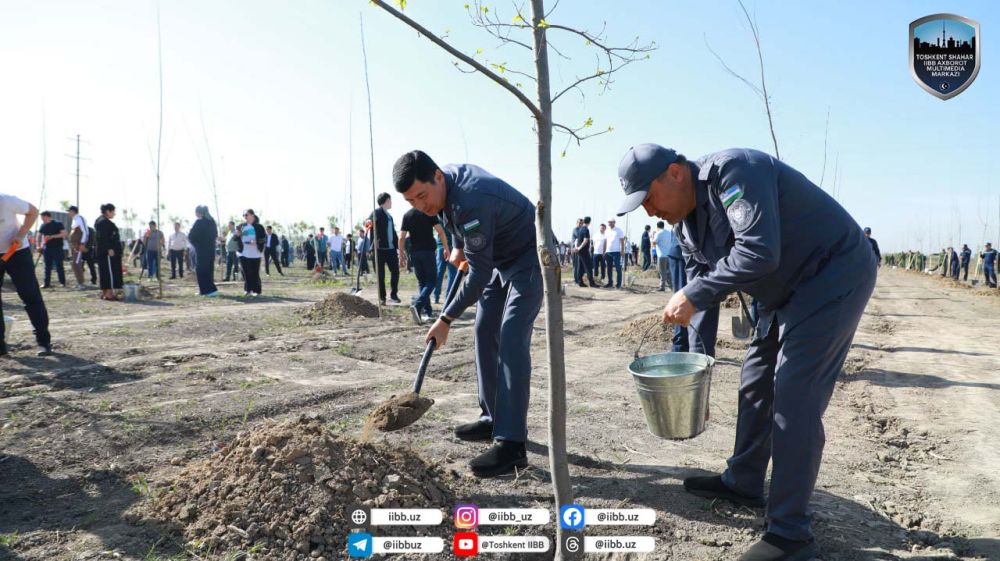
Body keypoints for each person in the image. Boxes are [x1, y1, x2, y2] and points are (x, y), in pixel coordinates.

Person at [617, 143, 876, 561]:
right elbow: (701, 294)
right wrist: (696, 377)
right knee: (755, 381)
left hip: (830, 275)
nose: (649, 212)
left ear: (675, 173)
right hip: (780, 293)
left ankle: (791, 537)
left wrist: (693, 292)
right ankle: (744, 481)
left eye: (648, 198)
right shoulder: (684, 226)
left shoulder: (736, 172)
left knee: (793, 397)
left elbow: (758, 251)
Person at [394, 150, 541, 478]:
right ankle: (492, 418)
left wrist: (444, 318)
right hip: (496, 256)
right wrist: (459, 243)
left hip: (528, 256)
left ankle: (512, 445)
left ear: (438, 178)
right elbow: (450, 215)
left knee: (513, 336)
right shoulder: (445, 185)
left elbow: (477, 274)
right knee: (484, 329)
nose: (421, 206)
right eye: (412, 202)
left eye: (422, 196)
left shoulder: (471, 200)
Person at [0, 193, 52, 356]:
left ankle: (43, 342)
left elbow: (34, 211)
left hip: (17, 251)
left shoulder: (7, 201)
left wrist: (21, 234)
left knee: (30, 295)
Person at [400, 207, 450, 320]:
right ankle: (417, 304)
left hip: (414, 253)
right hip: (428, 252)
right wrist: (446, 248)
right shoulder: (429, 212)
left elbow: (402, 237)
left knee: (422, 282)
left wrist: (402, 255)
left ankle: (427, 312)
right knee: (432, 281)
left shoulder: (407, 215)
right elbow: (440, 232)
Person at [369, 193, 401, 305]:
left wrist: (398, 247)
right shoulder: (376, 212)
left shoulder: (389, 216)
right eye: (390, 200)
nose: (391, 202)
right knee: (380, 275)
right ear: (386, 200)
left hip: (391, 249)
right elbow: (368, 222)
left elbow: (392, 232)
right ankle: (382, 298)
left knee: (395, 272)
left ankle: (394, 295)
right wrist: (368, 223)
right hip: (379, 250)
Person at [95, 203, 124, 301]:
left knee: (105, 271)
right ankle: (109, 294)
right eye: (113, 211)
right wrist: (109, 248)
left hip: (104, 251)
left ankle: (105, 292)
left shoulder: (101, 221)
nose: (114, 214)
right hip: (107, 252)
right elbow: (103, 238)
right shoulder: (104, 223)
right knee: (109, 272)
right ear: (108, 211)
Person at [189, 206, 219, 296]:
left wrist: (196, 244)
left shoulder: (199, 222)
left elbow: (191, 236)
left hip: (201, 250)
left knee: (201, 270)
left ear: (199, 213)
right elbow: (215, 235)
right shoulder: (212, 222)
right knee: (209, 270)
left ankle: (205, 291)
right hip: (211, 250)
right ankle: (212, 290)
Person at [37, 211, 67, 288]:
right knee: (47, 267)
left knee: (59, 266)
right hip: (47, 248)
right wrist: (38, 245)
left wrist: (52, 236)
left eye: (43, 218)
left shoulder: (58, 224)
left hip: (57, 248)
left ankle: (62, 282)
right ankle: (46, 283)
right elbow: (39, 235)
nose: (42, 219)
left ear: (47, 216)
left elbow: (64, 234)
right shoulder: (43, 225)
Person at [240, 210, 264, 296]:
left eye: (246, 215)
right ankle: (247, 290)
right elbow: (238, 237)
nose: (245, 217)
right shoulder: (242, 226)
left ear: (252, 215)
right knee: (246, 273)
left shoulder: (259, 227)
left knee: (255, 272)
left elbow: (264, 239)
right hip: (243, 253)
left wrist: (256, 241)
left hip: (256, 253)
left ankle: (257, 291)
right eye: (244, 215)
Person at [66, 206, 89, 290]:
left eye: (69, 211)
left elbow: (85, 232)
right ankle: (79, 282)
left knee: (76, 263)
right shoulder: (74, 220)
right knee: (75, 263)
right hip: (74, 245)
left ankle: (81, 283)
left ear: (73, 211)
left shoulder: (80, 218)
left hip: (79, 244)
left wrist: (82, 243)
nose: (68, 213)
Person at [434, 225, 457, 304]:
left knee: (439, 273)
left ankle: (436, 296)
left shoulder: (438, 215)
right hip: (453, 246)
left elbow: (440, 232)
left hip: (441, 246)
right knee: (452, 274)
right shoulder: (454, 214)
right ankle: (449, 297)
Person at [574, 217, 598, 287]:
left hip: (580, 251)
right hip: (583, 251)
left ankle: (580, 282)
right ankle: (592, 283)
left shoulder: (580, 229)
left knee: (580, 267)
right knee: (589, 266)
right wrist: (579, 248)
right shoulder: (585, 229)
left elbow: (577, 240)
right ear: (589, 222)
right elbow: (585, 240)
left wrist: (577, 247)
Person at [604, 218, 625, 289]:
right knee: (609, 268)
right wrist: (604, 251)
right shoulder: (606, 231)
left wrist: (622, 250)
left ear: (614, 222)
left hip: (616, 252)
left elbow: (622, 241)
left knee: (618, 268)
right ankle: (610, 283)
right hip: (608, 252)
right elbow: (605, 241)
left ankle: (618, 284)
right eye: (608, 222)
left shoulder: (619, 230)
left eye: (610, 222)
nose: (609, 223)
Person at [652, 220, 672, 292]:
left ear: (657, 226)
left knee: (662, 271)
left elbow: (654, 242)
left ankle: (662, 286)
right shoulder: (669, 233)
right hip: (669, 254)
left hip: (661, 255)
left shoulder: (658, 233)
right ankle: (671, 286)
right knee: (669, 271)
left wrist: (652, 236)